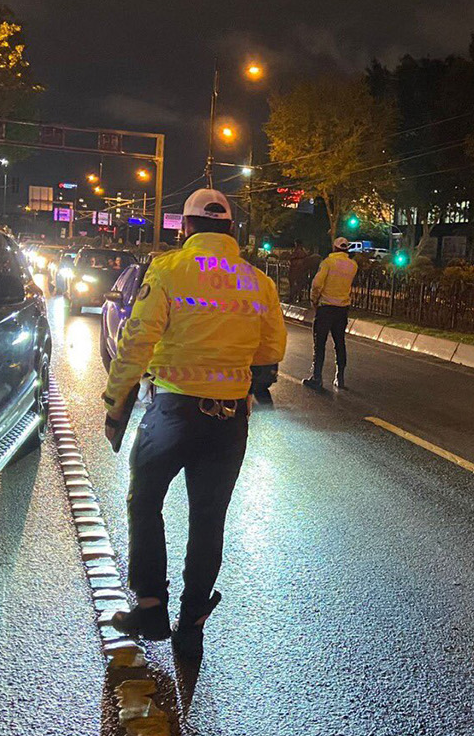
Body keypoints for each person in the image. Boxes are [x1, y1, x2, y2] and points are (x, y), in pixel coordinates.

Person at [102, 189, 286, 661]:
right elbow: (271, 352)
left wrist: (116, 400)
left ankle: (150, 608)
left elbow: (137, 339)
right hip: (228, 421)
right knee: (208, 520)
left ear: (184, 228)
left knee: (145, 503)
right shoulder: (258, 281)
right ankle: (193, 625)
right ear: (231, 231)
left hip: (171, 414)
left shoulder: (167, 269)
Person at [302, 236, 358, 393]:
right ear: (346, 249)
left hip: (326, 308)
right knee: (339, 343)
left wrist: (314, 300)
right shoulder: (353, 265)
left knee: (319, 344)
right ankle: (340, 377)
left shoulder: (328, 263)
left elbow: (317, 284)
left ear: (334, 248)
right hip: (342, 310)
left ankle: (317, 378)